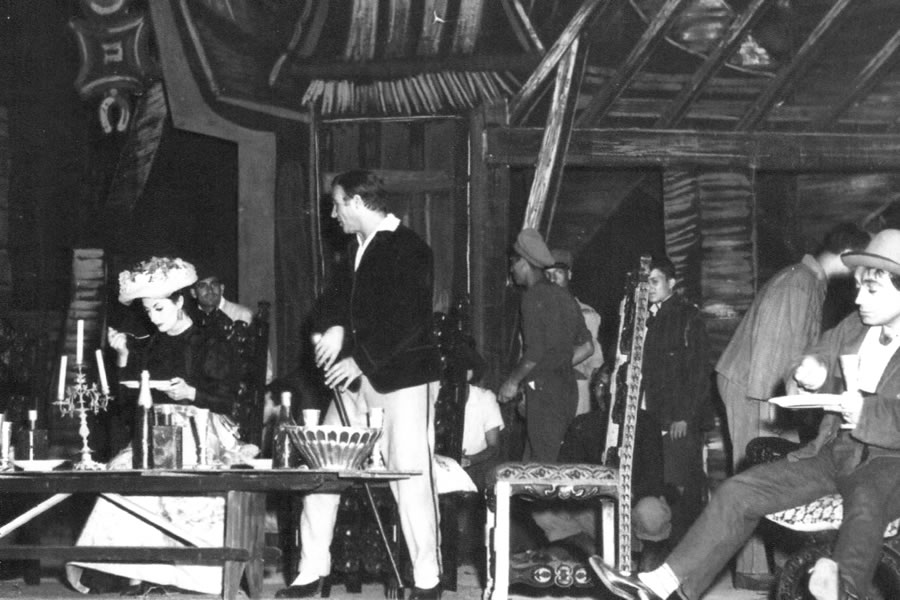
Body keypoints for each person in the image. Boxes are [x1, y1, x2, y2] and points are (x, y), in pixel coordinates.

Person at [590, 228, 900, 600]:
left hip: (888, 462)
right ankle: (661, 586)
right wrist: (809, 369)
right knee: (738, 490)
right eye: (859, 286)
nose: (859, 298)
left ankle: (840, 591)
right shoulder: (855, 326)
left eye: (872, 290)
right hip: (835, 452)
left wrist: (865, 410)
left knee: (865, 505)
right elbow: (815, 353)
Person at [278, 170, 443, 600]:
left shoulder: (411, 248)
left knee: (410, 474)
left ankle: (428, 579)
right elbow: (331, 304)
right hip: (352, 385)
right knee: (323, 466)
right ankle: (311, 570)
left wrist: (359, 359)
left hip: (401, 380)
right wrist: (332, 327)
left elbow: (409, 321)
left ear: (355, 201)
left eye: (336, 205)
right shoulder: (354, 249)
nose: (333, 215)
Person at [66, 256, 256, 596]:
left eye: (159, 309)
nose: (153, 318)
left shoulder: (211, 339)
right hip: (157, 430)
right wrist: (124, 357)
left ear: (180, 302)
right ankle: (137, 575)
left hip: (202, 428)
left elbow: (228, 400)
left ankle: (194, 577)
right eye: (148, 311)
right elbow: (128, 404)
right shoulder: (153, 343)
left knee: (179, 475)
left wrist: (192, 393)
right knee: (125, 476)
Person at [714, 222, 869, 587]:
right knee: (758, 474)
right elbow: (776, 347)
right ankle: (752, 570)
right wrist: (776, 403)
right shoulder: (799, 282)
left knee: (776, 471)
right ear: (847, 255)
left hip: (761, 382)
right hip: (754, 384)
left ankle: (761, 564)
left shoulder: (810, 280)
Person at [530, 398, 672, 569]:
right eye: (600, 386)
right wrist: (595, 496)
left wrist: (622, 495)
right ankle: (595, 559)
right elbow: (568, 473)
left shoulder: (646, 421)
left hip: (632, 508)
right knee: (545, 512)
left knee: (650, 511)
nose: (606, 393)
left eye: (612, 387)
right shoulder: (583, 423)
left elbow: (653, 479)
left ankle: (647, 567)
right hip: (595, 508)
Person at [499, 228, 593, 462]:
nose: (511, 270)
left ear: (524, 263)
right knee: (535, 461)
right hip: (566, 390)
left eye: (513, 264)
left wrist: (512, 382)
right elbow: (587, 347)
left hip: (544, 394)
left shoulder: (532, 297)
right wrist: (556, 366)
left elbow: (535, 352)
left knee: (544, 467)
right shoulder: (564, 296)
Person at [642, 257, 711, 543]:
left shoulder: (686, 316)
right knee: (663, 484)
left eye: (654, 281)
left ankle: (684, 547)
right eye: (645, 282)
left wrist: (684, 416)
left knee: (680, 485)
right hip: (655, 416)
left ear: (671, 283)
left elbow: (699, 370)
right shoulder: (647, 317)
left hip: (678, 418)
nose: (648, 287)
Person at [545, 249, 605, 416]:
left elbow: (595, 363)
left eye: (558, 272)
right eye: (547, 274)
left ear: (569, 274)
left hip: (575, 386)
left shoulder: (586, 315)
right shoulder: (535, 313)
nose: (552, 279)